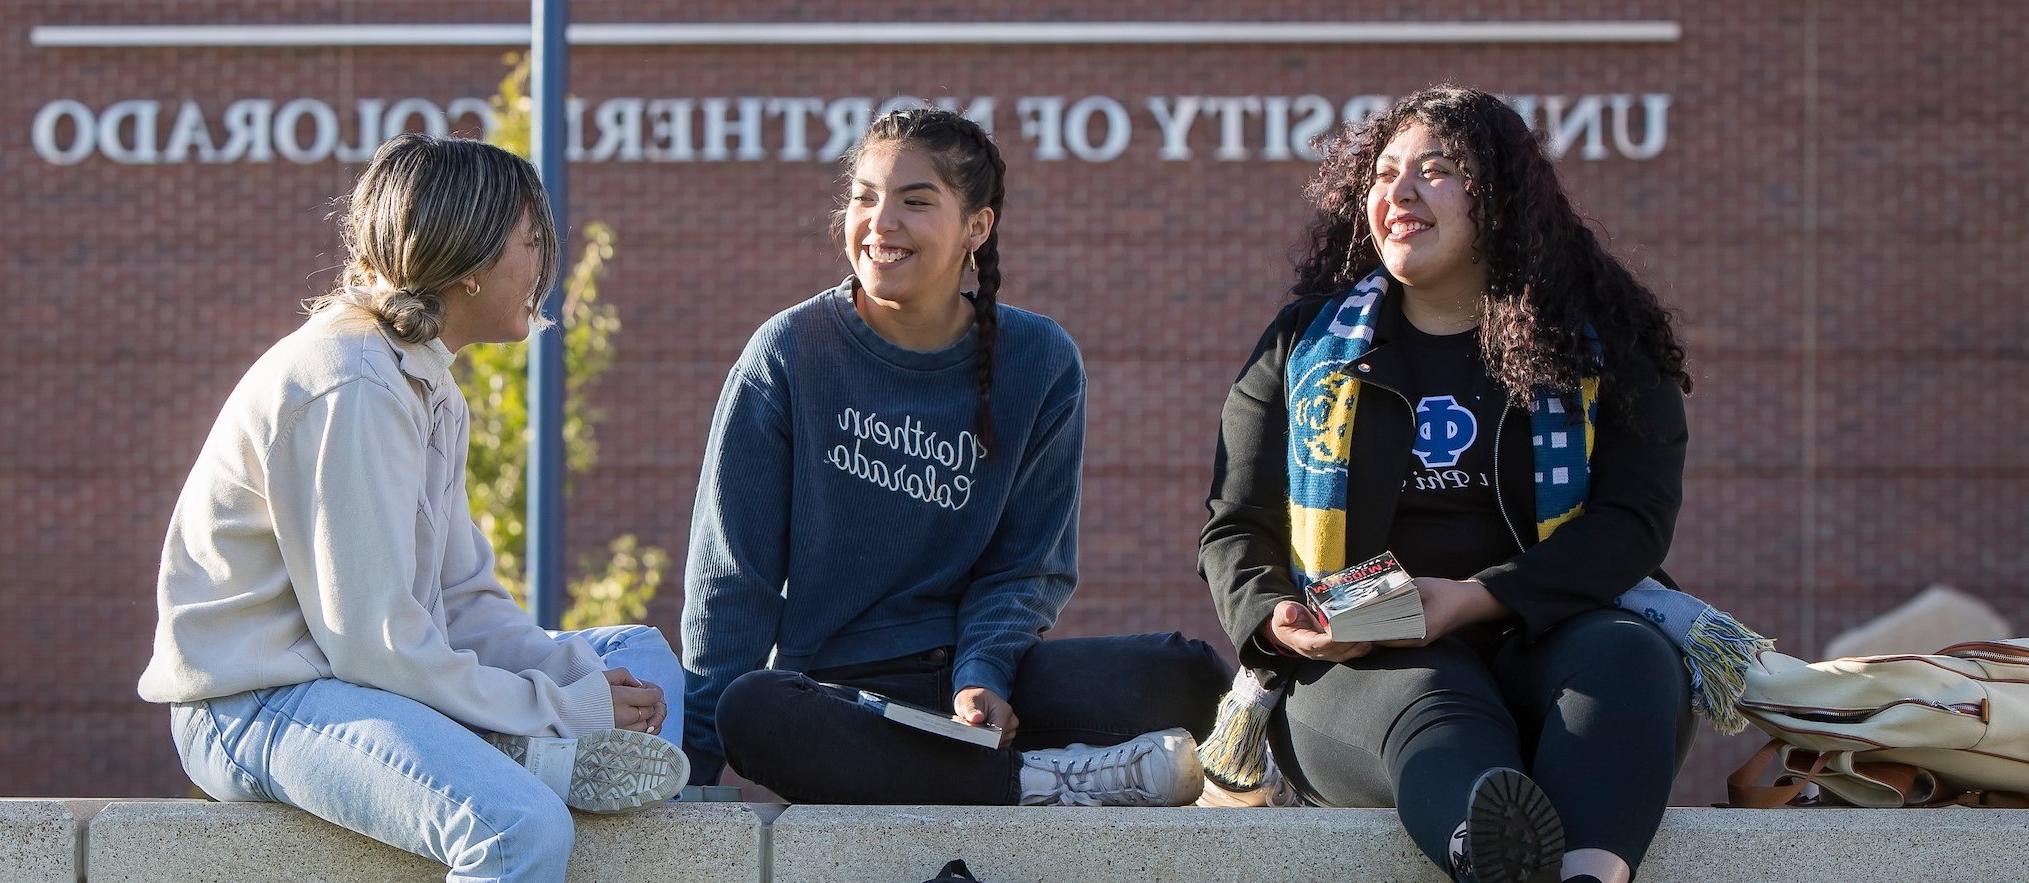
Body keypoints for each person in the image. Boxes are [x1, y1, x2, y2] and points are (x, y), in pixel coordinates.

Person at [138, 133, 687, 883]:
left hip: (359, 676)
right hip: (260, 704)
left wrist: (575, 682)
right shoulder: (353, 384)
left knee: (639, 658)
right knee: (519, 828)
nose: (540, 267)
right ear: (468, 264)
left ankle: (516, 747)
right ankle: (521, 757)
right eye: (530, 241)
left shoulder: (425, 380)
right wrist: (560, 707)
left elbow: (460, 602)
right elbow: (377, 646)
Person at [1201, 86, 1717, 883]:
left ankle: (1584, 873)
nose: (1398, 193)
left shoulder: (1599, 341)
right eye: (1381, 174)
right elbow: (1236, 525)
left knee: (1629, 659)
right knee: (1434, 707)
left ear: (1500, 198)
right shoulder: (1303, 345)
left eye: (1435, 171)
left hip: (1554, 632)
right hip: (1363, 663)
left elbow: (1632, 522)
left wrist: (1473, 596)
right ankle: (1490, 848)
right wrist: (1276, 619)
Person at [680, 107, 1231, 806]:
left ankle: (1004, 764)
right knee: (750, 710)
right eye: (864, 196)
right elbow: (732, 577)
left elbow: (1027, 563)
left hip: (980, 673)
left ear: (976, 227)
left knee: (1181, 672)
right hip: (837, 694)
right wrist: (691, 762)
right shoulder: (787, 353)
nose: (880, 222)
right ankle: (1044, 778)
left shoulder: (1038, 359)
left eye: (915, 201)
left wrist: (983, 676)